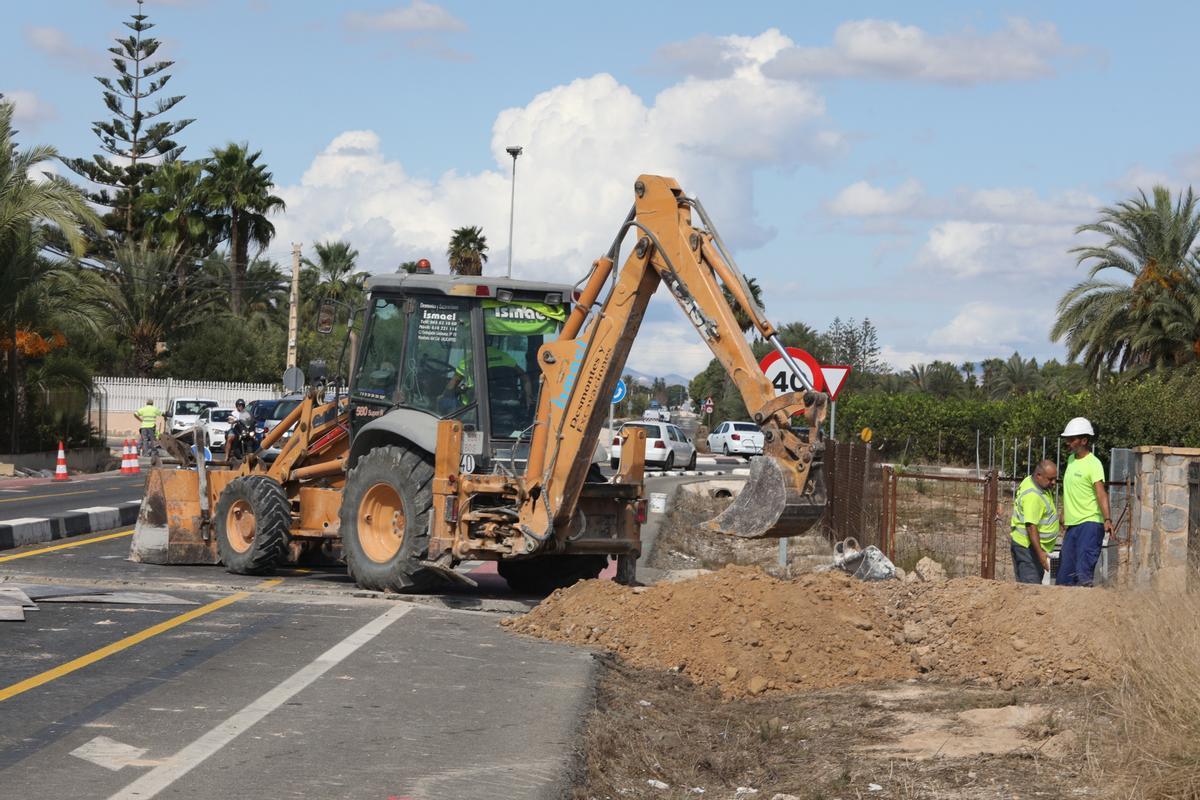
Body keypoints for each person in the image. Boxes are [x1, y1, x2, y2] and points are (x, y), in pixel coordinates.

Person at [1058, 417, 1112, 586]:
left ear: (1084, 440)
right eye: (1067, 439)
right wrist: (1064, 512)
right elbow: (1071, 490)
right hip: (1073, 525)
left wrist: (1107, 519)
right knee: (1064, 576)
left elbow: (1101, 493)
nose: (1068, 442)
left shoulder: (1094, 464)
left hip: (1090, 524)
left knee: (1082, 574)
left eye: (1072, 439)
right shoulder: (1071, 460)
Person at [1009, 459, 1060, 584]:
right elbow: (1031, 527)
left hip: (1026, 546)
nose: (1053, 483)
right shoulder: (1033, 496)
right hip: (1029, 548)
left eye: (1055, 479)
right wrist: (1041, 556)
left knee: (1025, 586)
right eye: (1050, 479)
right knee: (1030, 588)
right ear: (1038, 476)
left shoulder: (1030, 481)